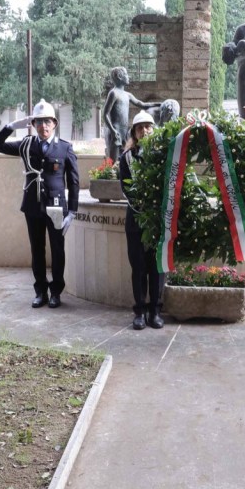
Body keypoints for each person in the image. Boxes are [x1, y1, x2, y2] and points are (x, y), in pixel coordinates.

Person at [0, 99, 79, 308]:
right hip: (33, 206)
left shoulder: (64, 148)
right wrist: (11, 127)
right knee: (37, 250)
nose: (43, 126)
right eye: (38, 122)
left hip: (57, 207)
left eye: (47, 122)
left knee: (58, 250)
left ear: (54, 124)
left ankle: (56, 292)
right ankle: (41, 291)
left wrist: (72, 211)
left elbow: (73, 181)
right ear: (34, 125)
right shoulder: (27, 144)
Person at [119, 111, 165, 330]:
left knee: (157, 267)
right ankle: (140, 311)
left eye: (148, 126)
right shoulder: (126, 158)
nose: (145, 130)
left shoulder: (164, 155)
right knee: (138, 267)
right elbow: (126, 189)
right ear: (134, 134)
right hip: (136, 219)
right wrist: (143, 209)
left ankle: (155, 311)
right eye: (140, 128)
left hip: (157, 220)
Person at [102, 67, 161, 162]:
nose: (128, 77)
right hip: (115, 130)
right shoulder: (113, 93)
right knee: (113, 160)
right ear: (119, 76)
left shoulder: (127, 95)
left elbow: (142, 104)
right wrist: (112, 131)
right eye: (126, 74)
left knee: (123, 158)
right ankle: (112, 174)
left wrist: (160, 104)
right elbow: (105, 114)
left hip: (124, 131)